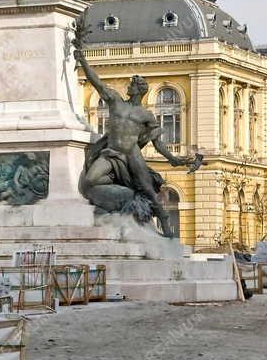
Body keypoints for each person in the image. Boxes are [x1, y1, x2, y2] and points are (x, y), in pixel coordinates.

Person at [74, 48, 198, 237]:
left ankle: (164, 225)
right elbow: (97, 83)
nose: (129, 87)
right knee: (90, 179)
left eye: (132, 85)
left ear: (139, 90)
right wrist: (82, 61)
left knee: (148, 189)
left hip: (132, 154)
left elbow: (157, 142)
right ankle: (120, 198)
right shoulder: (116, 102)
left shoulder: (145, 115)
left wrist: (173, 158)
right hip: (110, 152)